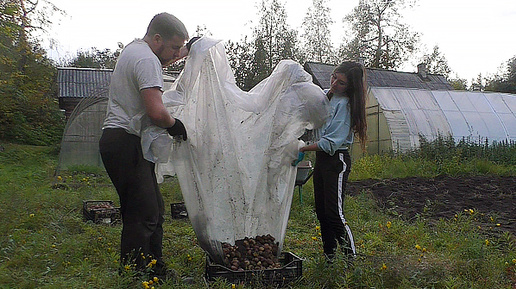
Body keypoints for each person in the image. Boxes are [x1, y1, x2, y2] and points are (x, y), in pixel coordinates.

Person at [98, 12, 196, 278]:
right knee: (143, 214)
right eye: (175, 47)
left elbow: (169, 54)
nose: (177, 54)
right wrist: (176, 126)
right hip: (125, 142)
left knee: (153, 210)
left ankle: (154, 269)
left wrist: (189, 49)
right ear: (156, 39)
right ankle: (135, 276)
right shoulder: (147, 59)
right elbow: (156, 112)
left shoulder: (136, 51)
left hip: (121, 142)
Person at [297, 61, 368, 261]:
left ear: (350, 87)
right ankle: (330, 257)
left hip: (336, 161)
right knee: (321, 212)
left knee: (334, 213)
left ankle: (350, 259)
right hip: (322, 160)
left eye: (342, 82)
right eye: (334, 77)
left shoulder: (344, 105)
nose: (335, 83)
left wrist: (302, 148)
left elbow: (330, 143)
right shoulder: (326, 96)